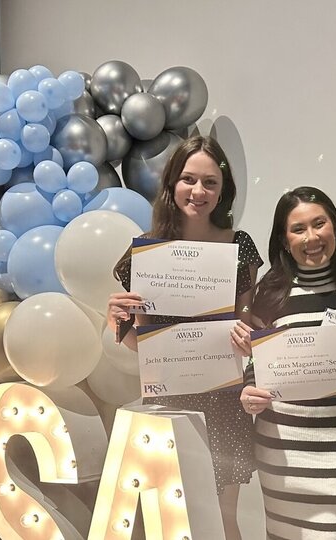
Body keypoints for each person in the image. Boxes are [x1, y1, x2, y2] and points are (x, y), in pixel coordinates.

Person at [106, 135, 263, 540]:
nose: (199, 191)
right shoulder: (147, 252)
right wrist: (117, 323)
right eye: (189, 179)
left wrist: (250, 339)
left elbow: (249, 321)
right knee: (170, 519)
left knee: (223, 517)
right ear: (172, 183)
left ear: (223, 190)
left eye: (210, 182)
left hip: (225, 399)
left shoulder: (239, 248)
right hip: (170, 401)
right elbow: (144, 344)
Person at [233, 186, 336, 539]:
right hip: (280, 448)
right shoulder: (270, 292)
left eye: (319, 224)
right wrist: (248, 391)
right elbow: (257, 366)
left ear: (335, 228)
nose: (311, 237)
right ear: (284, 240)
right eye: (298, 229)